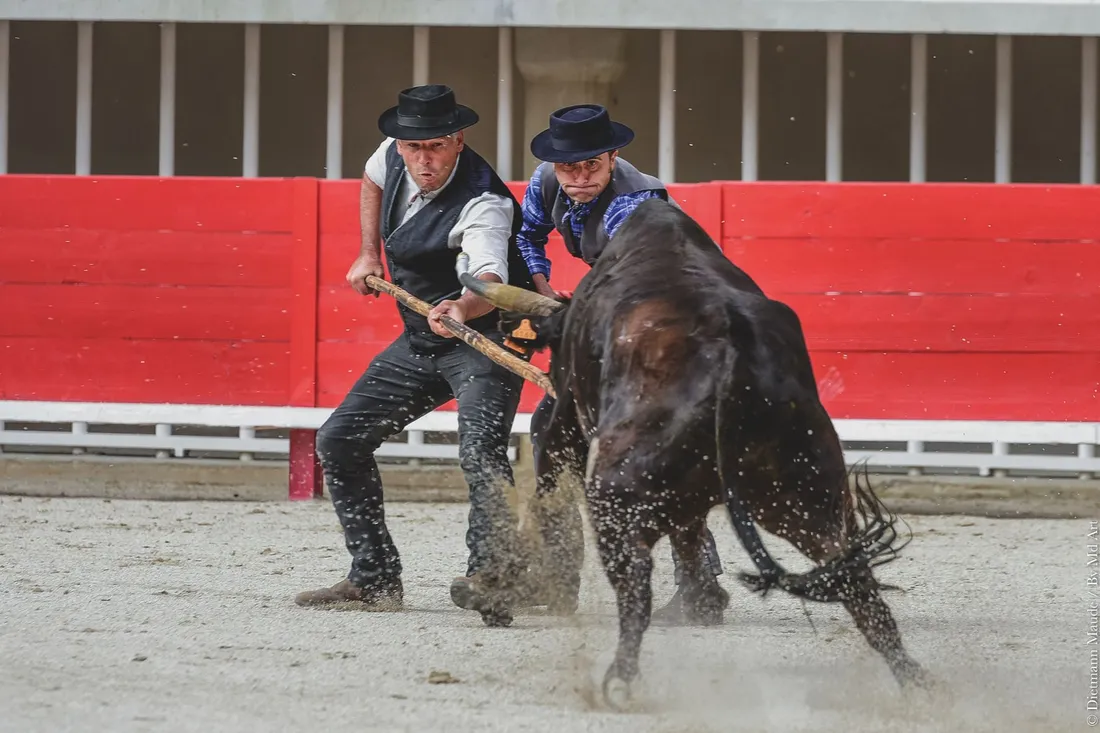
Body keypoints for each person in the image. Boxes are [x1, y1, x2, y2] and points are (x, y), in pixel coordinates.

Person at [294, 84, 537, 619]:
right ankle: (374, 578)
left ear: (458, 140)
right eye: (413, 148)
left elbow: (489, 275)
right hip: (421, 339)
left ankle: (491, 576)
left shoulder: (485, 202)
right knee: (339, 439)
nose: (423, 159)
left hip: (483, 341)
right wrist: (366, 252)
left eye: (436, 147)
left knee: (480, 455)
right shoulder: (390, 152)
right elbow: (372, 180)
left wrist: (463, 308)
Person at [515, 103, 725, 624]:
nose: (579, 177)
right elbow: (526, 237)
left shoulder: (635, 202)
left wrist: (576, 315)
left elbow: (633, 279)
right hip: (625, 312)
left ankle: (699, 585)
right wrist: (544, 294)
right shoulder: (546, 181)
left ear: (612, 156)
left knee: (658, 445)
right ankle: (556, 573)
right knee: (554, 426)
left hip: (677, 320)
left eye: (591, 165)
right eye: (570, 167)